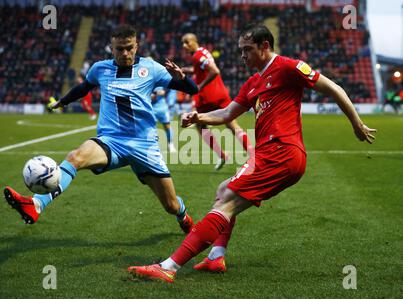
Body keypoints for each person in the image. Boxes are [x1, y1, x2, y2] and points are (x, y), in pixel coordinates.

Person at [128, 24, 377, 283]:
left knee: (226, 203)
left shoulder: (289, 67)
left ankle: (168, 267)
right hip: (270, 154)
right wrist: (197, 116)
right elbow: (227, 114)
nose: (243, 56)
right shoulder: (252, 82)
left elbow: (333, 88)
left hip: (281, 152)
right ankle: (215, 257)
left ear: (265, 46)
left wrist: (356, 123)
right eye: (240, 51)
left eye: (247, 50)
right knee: (224, 189)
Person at [4, 25, 198, 234]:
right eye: (119, 49)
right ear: (111, 48)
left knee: (171, 205)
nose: (125, 53)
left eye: (129, 48)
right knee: (75, 157)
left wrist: (182, 78)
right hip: (111, 141)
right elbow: (83, 88)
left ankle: (183, 215)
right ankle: (36, 205)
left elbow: (192, 89)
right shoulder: (100, 69)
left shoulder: (152, 69)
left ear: (136, 46)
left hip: (145, 146)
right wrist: (63, 101)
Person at [181, 33, 254, 170]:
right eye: (183, 43)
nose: (185, 45)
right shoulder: (203, 52)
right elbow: (203, 69)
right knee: (232, 125)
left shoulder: (197, 55)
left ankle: (222, 155)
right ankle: (253, 154)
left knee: (199, 125)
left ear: (194, 41)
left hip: (207, 97)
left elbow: (215, 71)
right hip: (220, 92)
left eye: (187, 42)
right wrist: (188, 70)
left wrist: (199, 87)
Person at [151, 86, 176, 152]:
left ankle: (170, 144)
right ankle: (153, 146)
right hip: (151, 108)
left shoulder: (162, 79)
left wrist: (164, 93)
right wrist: (154, 93)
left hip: (162, 108)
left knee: (167, 126)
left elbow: (166, 91)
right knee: (151, 128)